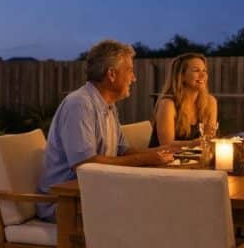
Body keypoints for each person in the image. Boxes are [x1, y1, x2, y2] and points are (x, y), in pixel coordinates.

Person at [37, 40, 174, 220]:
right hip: (66, 203)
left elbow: (122, 150)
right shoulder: (80, 104)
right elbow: (85, 164)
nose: (134, 78)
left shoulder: (108, 106)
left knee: (161, 203)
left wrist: (161, 156)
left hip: (95, 193)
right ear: (111, 74)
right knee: (150, 213)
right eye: (130, 71)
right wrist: (144, 159)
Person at [150, 53, 219, 148]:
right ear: (181, 76)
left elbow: (209, 137)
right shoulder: (168, 103)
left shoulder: (210, 102)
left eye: (204, 70)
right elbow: (166, 144)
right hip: (161, 160)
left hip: (192, 159)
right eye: (196, 70)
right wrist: (194, 144)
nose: (203, 75)